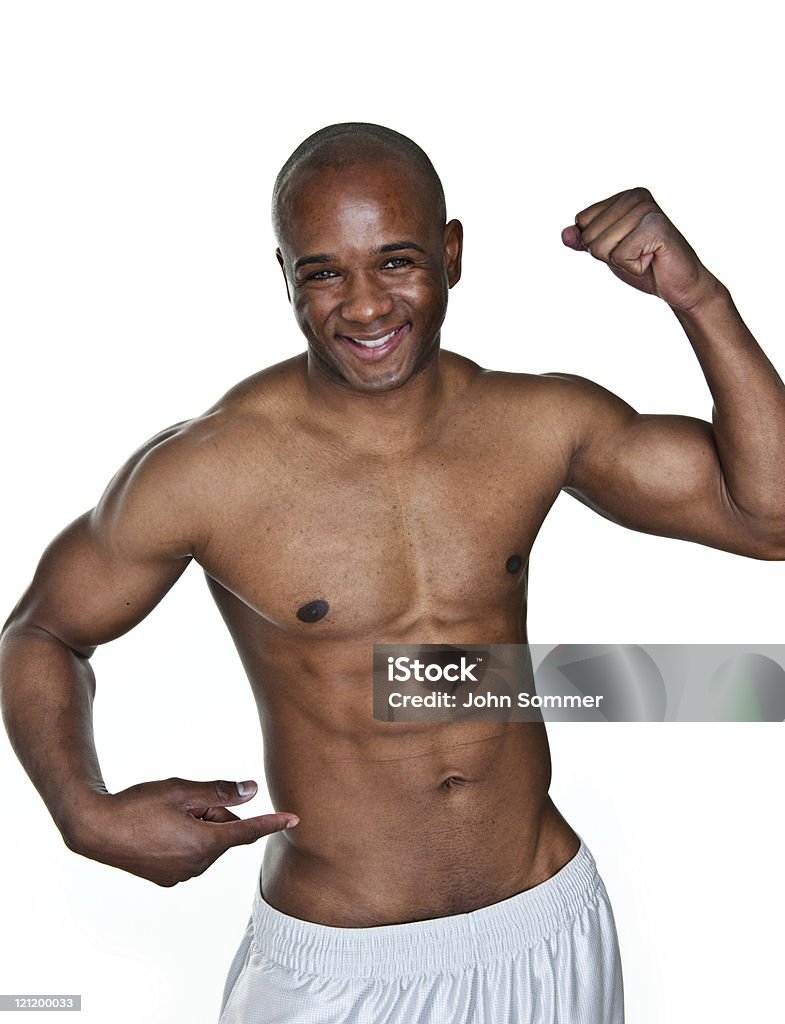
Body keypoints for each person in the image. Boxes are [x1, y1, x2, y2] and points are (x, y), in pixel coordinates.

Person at [1, 122, 783, 1024]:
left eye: (396, 262)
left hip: (545, 925)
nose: (364, 308)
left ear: (451, 254)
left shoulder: (536, 422)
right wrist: (81, 807)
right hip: (340, 965)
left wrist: (699, 298)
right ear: (285, 276)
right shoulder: (208, 470)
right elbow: (45, 630)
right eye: (324, 272)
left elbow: (765, 519)